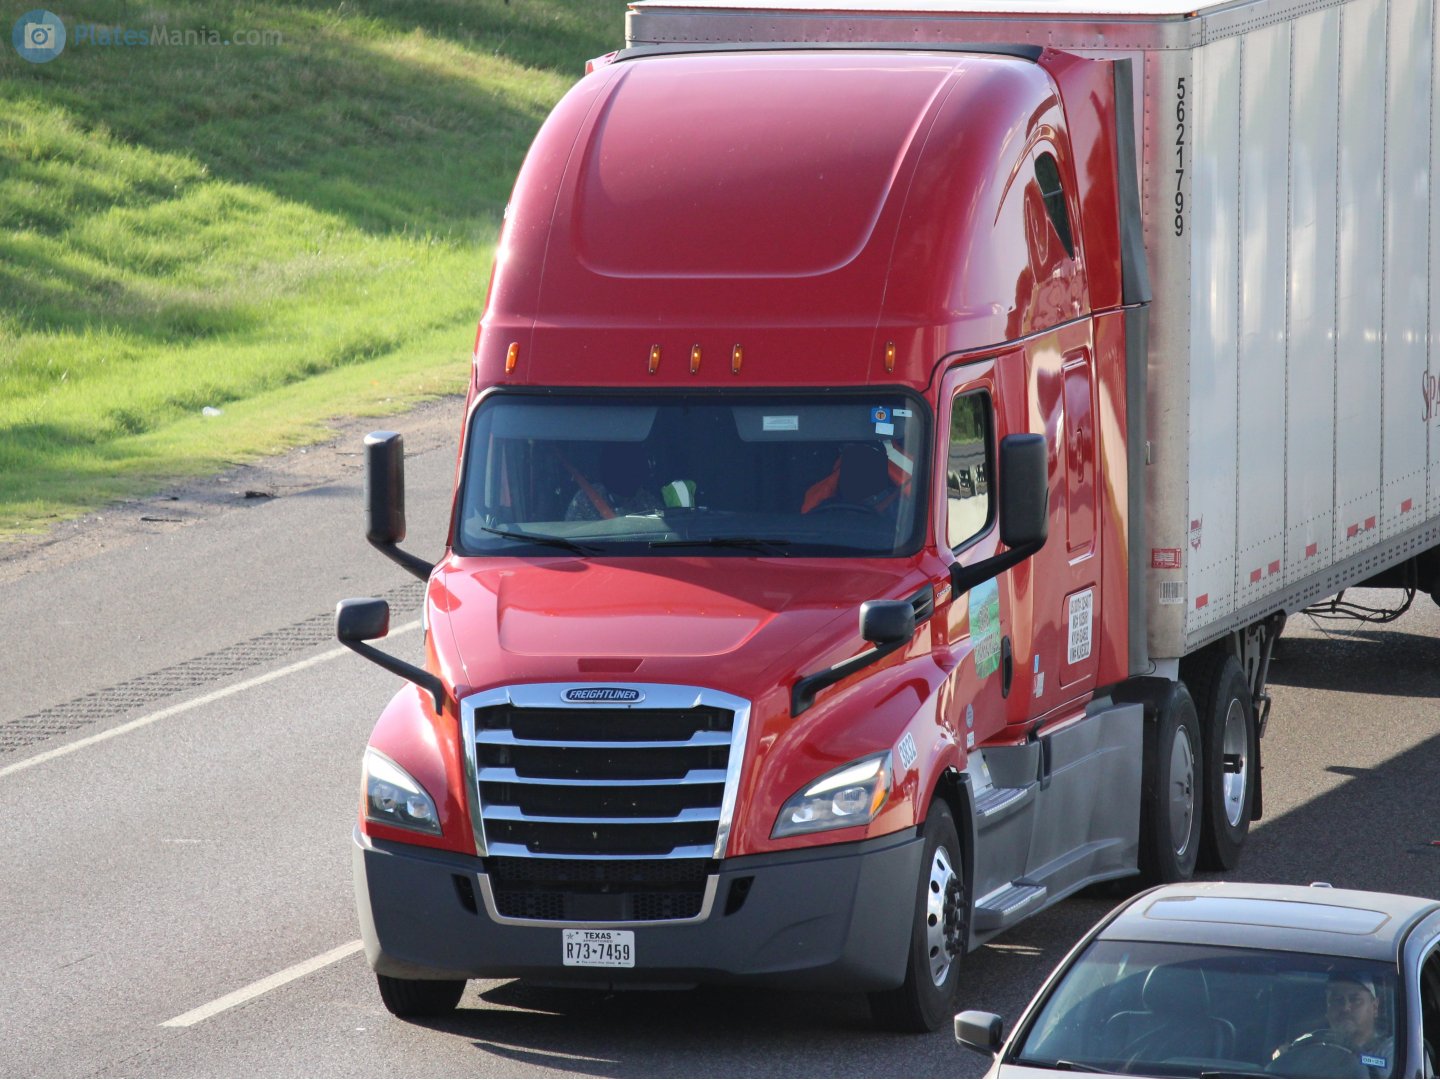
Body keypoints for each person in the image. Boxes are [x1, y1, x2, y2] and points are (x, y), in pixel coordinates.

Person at [1274, 972, 1395, 1078]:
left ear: (1375, 1007)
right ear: (1327, 1009)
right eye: (1337, 1000)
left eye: (1355, 1000)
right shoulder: (1308, 1045)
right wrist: (1284, 1059)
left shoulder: (1390, 1052)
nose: (1346, 1008)